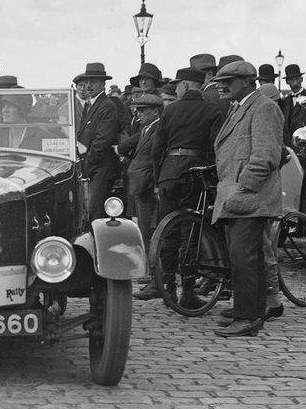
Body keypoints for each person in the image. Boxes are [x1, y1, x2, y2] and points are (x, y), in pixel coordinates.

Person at [211, 61, 283, 338]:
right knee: (246, 258)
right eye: (219, 81)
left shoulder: (263, 107)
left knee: (244, 258)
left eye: (228, 81)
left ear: (248, 82)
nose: (221, 86)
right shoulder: (240, 106)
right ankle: (251, 312)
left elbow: (266, 156)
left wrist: (243, 188)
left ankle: (247, 317)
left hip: (249, 198)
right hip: (239, 197)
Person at [143, 67, 223, 304]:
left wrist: (159, 176)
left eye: (178, 85)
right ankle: (187, 291)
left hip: (169, 174)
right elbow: (215, 147)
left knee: (168, 230)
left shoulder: (171, 110)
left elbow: (157, 147)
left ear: (186, 85)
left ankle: (168, 287)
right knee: (191, 230)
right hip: (195, 174)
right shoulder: (212, 110)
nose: (176, 89)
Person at [120, 92, 163, 293]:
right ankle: (152, 273)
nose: (139, 115)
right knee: (144, 231)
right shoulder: (146, 129)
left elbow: (157, 159)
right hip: (140, 186)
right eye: (137, 111)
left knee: (150, 232)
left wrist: (156, 186)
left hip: (148, 187)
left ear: (155, 111)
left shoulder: (158, 129)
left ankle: (156, 277)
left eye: (143, 111)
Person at [74, 62, 122, 223]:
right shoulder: (91, 105)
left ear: (103, 84)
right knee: (88, 211)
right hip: (92, 166)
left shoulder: (107, 106)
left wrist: (87, 164)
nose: (88, 86)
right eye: (87, 82)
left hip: (101, 168)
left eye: (93, 82)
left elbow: (102, 140)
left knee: (95, 213)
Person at [278, 64, 306, 147]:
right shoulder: (284, 102)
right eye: (291, 80)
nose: (295, 82)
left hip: (305, 145)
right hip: (289, 146)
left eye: (297, 79)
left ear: (301, 79)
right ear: (287, 82)